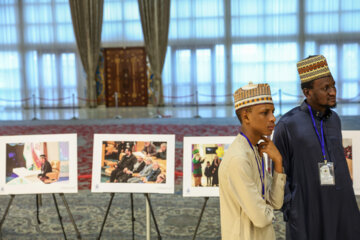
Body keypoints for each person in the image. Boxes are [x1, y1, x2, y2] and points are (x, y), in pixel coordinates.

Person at [273, 55, 360, 240]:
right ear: (307, 92)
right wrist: (291, 207)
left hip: (339, 205)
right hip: (306, 209)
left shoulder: (335, 119)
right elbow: (280, 169)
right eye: (325, 88)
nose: (333, 92)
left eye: (333, 86)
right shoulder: (288, 124)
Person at [219, 82, 286, 240]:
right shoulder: (239, 159)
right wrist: (268, 212)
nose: (273, 118)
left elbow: (276, 202)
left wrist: (278, 162)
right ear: (246, 117)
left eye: (273, 112)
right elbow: (261, 218)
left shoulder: (256, 149)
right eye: (265, 113)